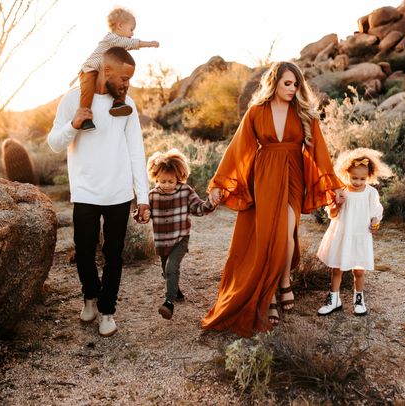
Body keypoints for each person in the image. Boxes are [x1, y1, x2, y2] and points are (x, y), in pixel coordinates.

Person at [201, 61, 345, 337]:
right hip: (264, 176)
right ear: (274, 83)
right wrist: (220, 183)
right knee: (271, 234)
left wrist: (334, 185)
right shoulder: (256, 112)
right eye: (287, 83)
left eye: (296, 84)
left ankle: (284, 283)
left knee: (286, 233)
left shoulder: (304, 114)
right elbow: (238, 148)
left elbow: (320, 153)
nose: (292, 89)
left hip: (293, 175)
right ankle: (270, 295)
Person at [48, 47, 150, 337]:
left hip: (119, 193)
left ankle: (107, 310)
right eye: (124, 77)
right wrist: (73, 124)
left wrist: (142, 197)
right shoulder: (72, 99)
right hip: (85, 192)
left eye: (130, 78)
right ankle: (90, 297)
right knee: (83, 252)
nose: (128, 83)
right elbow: (55, 142)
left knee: (114, 255)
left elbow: (136, 152)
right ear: (106, 72)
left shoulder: (126, 105)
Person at [138, 149, 216, 320]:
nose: (166, 185)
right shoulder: (152, 195)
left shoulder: (185, 191)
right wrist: (143, 216)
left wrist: (211, 203)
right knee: (167, 272)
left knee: (171, 267)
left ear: (178, 177)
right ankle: (177, 292)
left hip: (180, 238)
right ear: (155, 177)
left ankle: (169, 302)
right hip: (162, 241)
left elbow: (198, 208)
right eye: (162, 181)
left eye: (171, 181)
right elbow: (142, 213)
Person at [316, 148, 392, 316]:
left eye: (362, 178)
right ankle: (334, 299)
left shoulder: (371, 193)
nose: (357, 182)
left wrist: (375, 223)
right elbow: (333, 215)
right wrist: (338, 204)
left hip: (360, 235)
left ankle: (359, 299)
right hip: (342, 234)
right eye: (354, 177)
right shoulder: (342, 191)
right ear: (346, 173)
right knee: (337, 269)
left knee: (358, 271)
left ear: (369, 176)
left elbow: (376, 214)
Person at [74, 6, 159, 131]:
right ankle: (85, 119)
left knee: (122, 81)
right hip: (90, 69)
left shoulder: (119, 44)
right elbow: (130, 43)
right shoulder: (111, 38)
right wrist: (149, 44)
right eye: (131, 29)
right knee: (88, 91)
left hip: (105, 72)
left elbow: (127, 47)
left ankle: (118, 103)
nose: (132, 33)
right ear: (120, 26)